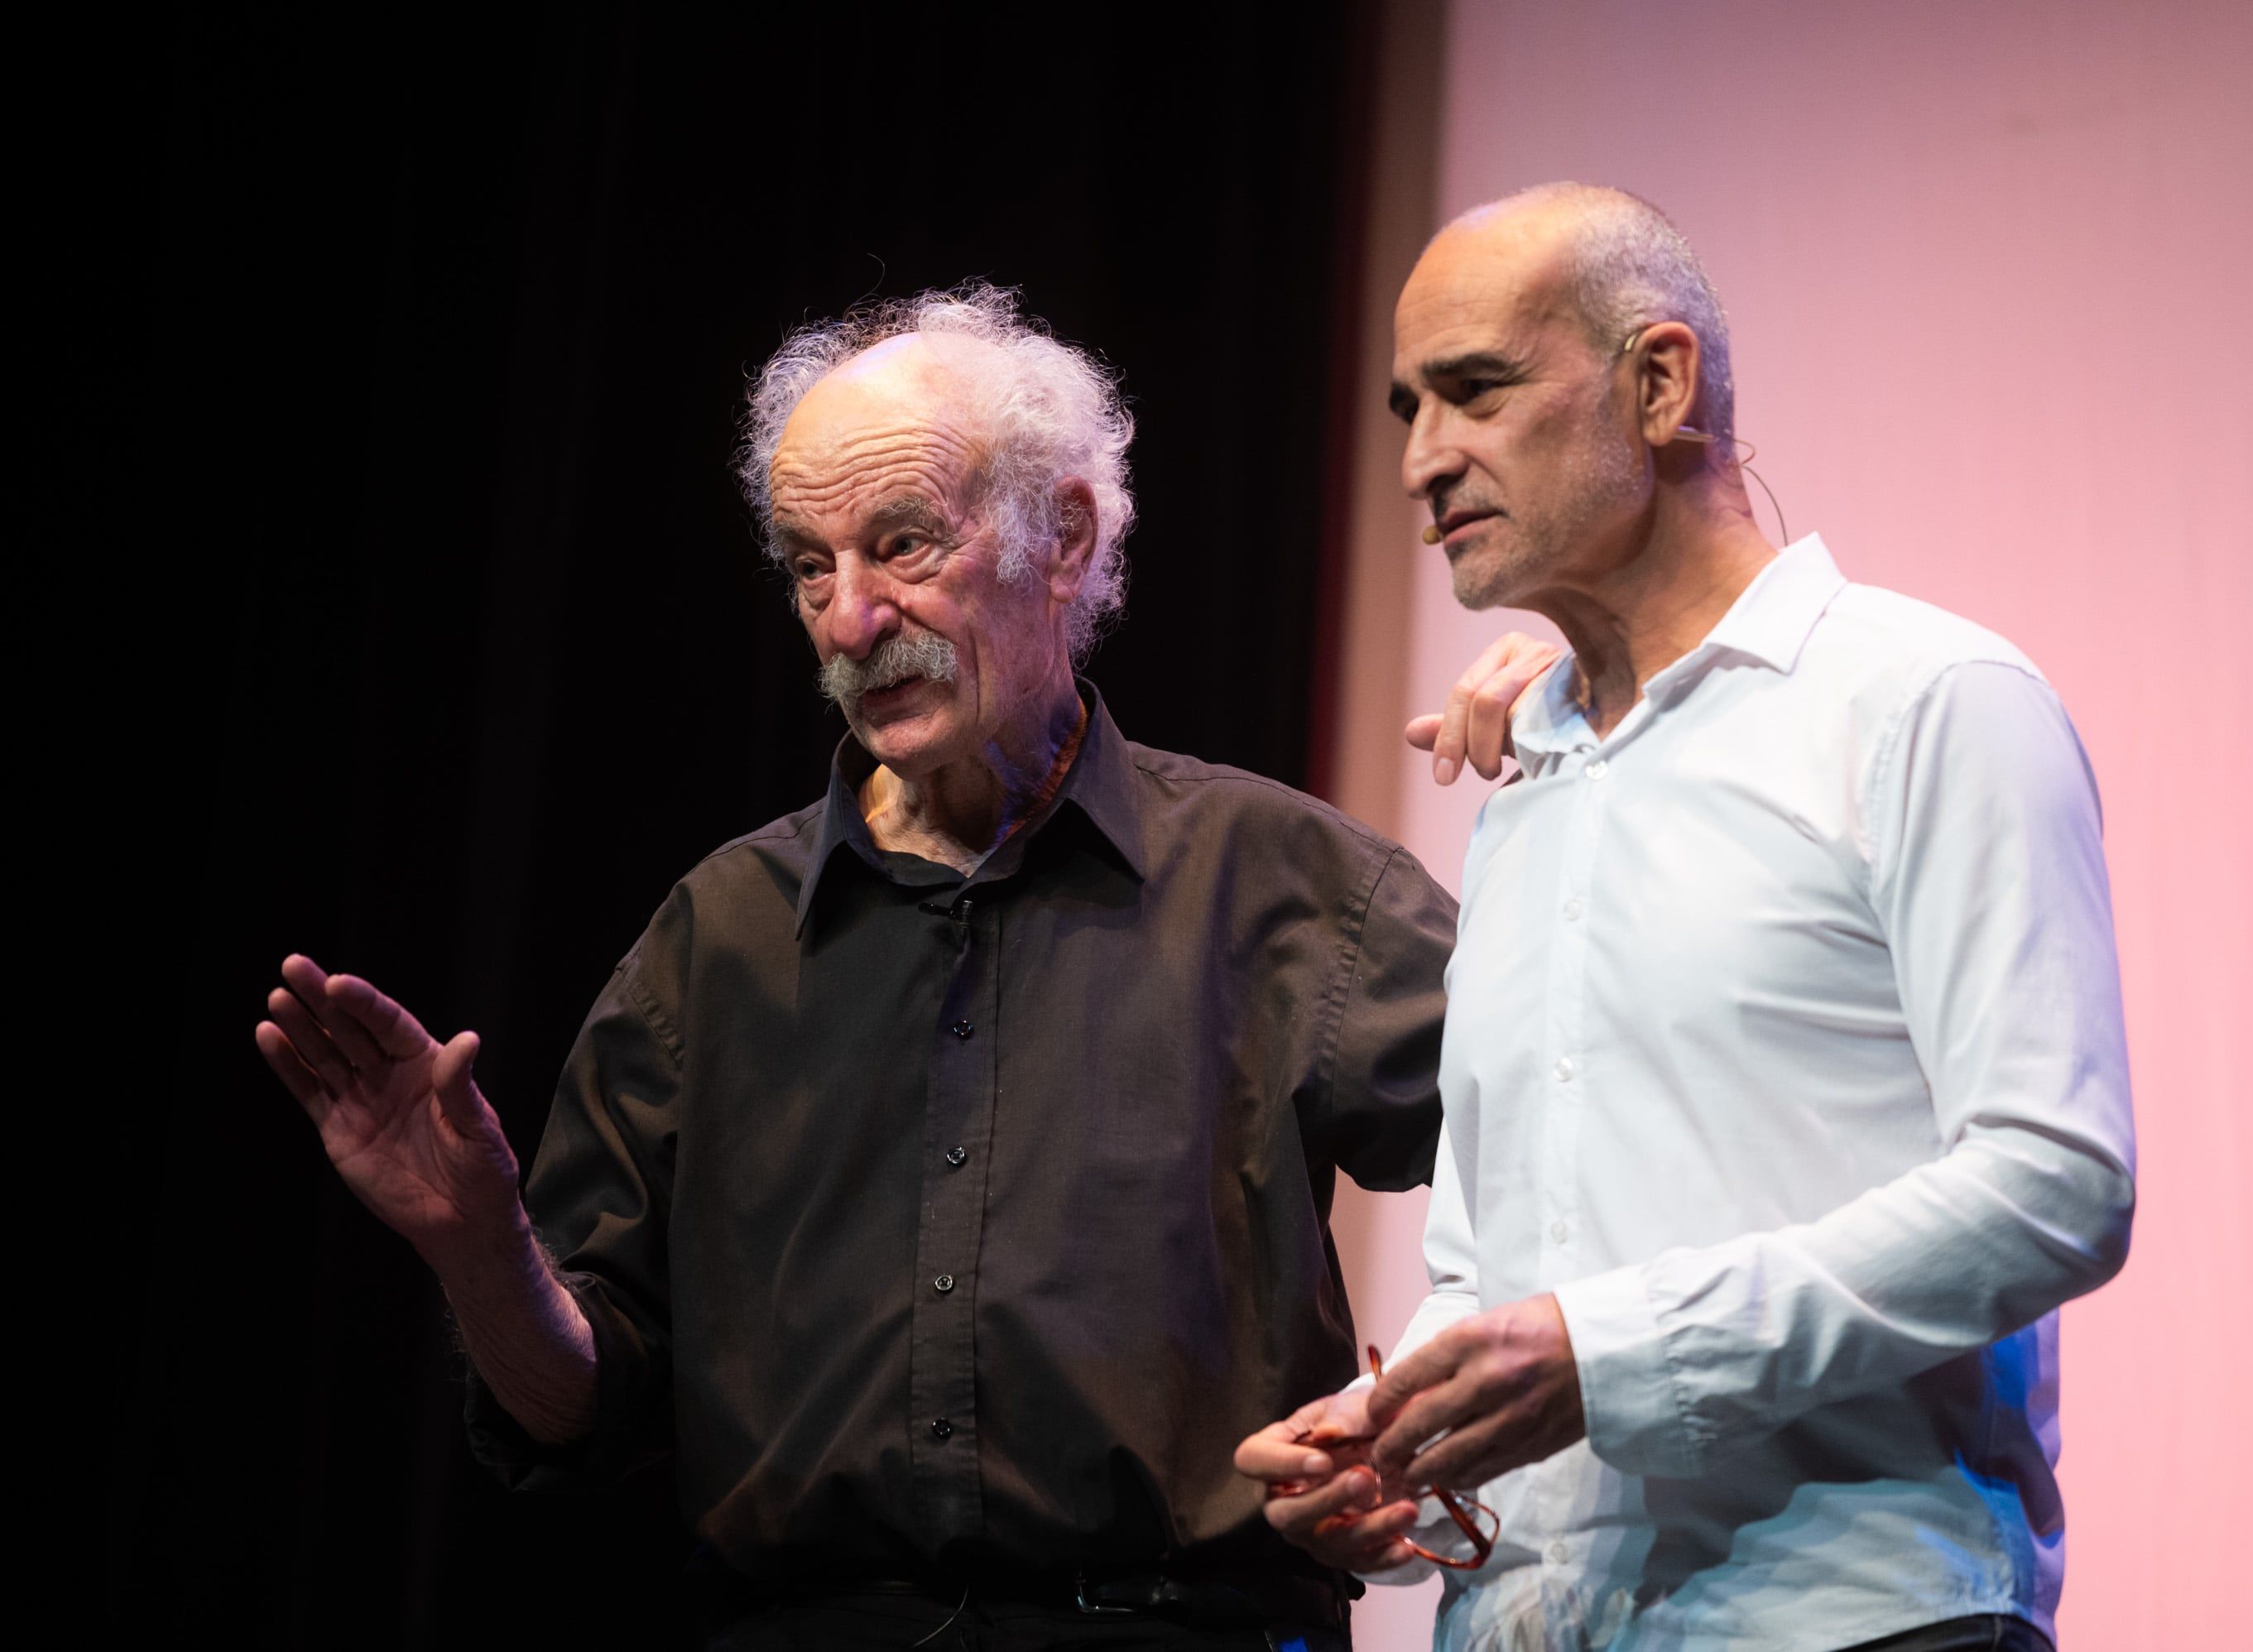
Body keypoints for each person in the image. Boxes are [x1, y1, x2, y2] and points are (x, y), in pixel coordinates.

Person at [252, 285, 1549, 1650]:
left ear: (1064, 536)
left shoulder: (1277, 882)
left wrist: (1417, 1430)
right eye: (811, 567)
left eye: (903, 545)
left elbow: (1566, 1151)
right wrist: (477, 1249)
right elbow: (582, 1413)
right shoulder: (719, 938)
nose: (851, 620)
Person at [1237, 185, 2137, 1652]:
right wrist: (1398, 1449)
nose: (1419, 461)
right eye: (1408, 409)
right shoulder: (1526, 785)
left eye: (1475, 391)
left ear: (1660, 384)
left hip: (1846, 1622)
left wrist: (1607, 1354)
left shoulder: (1922, 702)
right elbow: (1492, 1278)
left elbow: (2054, 1181)